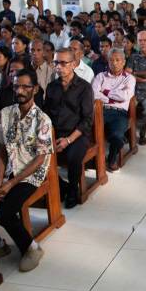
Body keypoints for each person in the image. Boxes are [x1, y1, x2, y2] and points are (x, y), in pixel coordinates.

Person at [0, 69, 52, 271]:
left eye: (26, 86)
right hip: (9, 170)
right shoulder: (5, 114)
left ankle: (32, 248)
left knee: (4, 215)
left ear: (35, 89)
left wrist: (11, 183)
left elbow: (40, 158)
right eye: (17, 85)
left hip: (31, 175)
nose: (20, 90)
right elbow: (2, 150)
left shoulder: (43, 120)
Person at [44, 48, 93, 209]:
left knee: (73, 157)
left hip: (77, 134)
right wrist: (48, 135)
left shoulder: (84, 88)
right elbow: (46, 114)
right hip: (55, 132)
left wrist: (68, 140)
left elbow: (87, 120)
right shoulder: (52, 87)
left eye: (63, 63)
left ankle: (72, 189)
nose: (58, 66)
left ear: (73, 64)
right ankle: (62, 187)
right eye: (56, 62)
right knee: (36, 154)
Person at [92, 48, 135, 172]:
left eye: (117, 60)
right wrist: (113, 99)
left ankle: (111, 158)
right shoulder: (100, 76)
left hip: (119, 113)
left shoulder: (129, 78)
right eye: (111, 60)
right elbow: (94, 94)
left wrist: (104, 92)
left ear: (123, 62)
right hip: (101, 110)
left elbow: (125, 96)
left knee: (117, 136)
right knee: (88, 130)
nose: (114, 63)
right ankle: (92, 159)